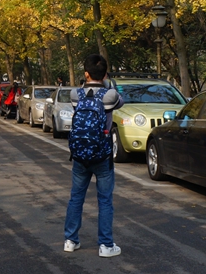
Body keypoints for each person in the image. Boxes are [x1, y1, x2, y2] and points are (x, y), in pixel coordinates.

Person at [63, 54, 124, 258]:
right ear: (105, 74)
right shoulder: (110, 95)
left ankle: (70, 240)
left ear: (86, 73)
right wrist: (107, 83)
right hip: (102, 155)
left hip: (79, 154)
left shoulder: (75, 94)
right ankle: (106, 245)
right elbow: (120, 102)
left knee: (76, 197)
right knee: (105, 200)